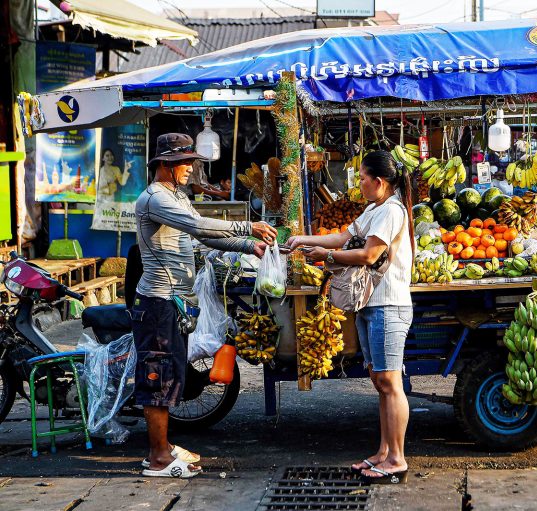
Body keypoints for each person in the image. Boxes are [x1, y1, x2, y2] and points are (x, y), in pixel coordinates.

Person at [133, 133, 277, 479]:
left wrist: (247, 245)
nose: (191, 169)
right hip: (158, 302)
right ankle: (157, 458)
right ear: (166, 163)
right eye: (186, 163)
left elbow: (201, 236)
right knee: (158, 378)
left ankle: (164, 447)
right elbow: (199, 225)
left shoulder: (177, 196)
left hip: (174, 303)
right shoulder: (154, 198)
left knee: (170, 376)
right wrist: (248, 225)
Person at [286, 150, 414, 485]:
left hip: (389, 305)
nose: (358, 182)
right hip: (370, 305)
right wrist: (304, 239)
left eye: (361, 177)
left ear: (379, 181)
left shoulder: (391, 211)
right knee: (379, 381)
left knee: (390, 382)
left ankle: (397, 458)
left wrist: (326, 255)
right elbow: (344, 236)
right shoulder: (374, 209)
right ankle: (383, 452)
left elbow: (369, 254)